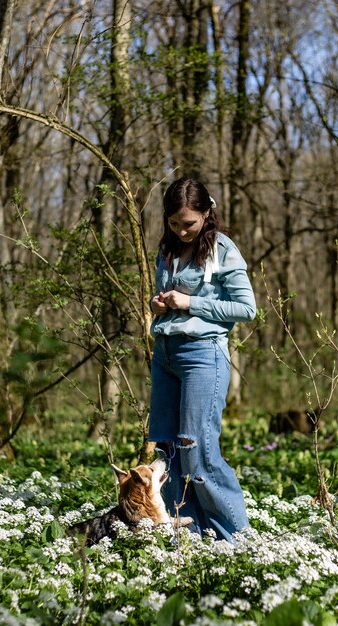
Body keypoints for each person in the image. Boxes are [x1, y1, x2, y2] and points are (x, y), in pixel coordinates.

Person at [148, 176, 256, 542]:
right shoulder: (166, 250)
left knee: (198, 453)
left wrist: (190, 302)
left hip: (203, 356)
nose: (181, 231)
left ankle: (237, 539)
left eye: (189, 223)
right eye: (174, 223)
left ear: (207, 213)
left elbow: (246, 308)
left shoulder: (223, 250)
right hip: (164, 355)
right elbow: (165, 299)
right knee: (169, 452)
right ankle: (188, 539)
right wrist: (157, 305)